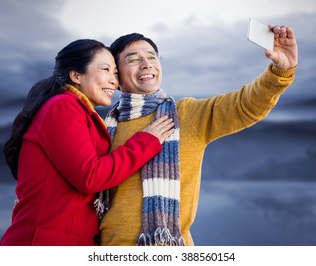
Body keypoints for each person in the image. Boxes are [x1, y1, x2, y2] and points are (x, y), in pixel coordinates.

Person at [98, 25, 298, 246]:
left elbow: (243, 105)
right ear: (116, 76)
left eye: (152, 57)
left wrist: (280, 71)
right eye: (133, 59)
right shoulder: (103, 128)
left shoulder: (185, 114)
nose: (146, 64)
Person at [0, 39, 175, 246]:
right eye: (105, 70)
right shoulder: (62, 106)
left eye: (115, 74)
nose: (114, 81)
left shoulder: (81, 112)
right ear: (76, 75)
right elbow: (90, 176)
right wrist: (147, 141)